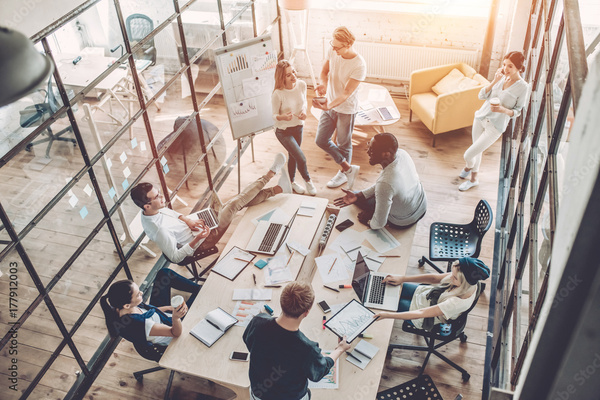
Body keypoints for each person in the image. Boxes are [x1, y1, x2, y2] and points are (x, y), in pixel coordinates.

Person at [131, 153, 291, 263]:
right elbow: (175, 257)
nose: (162, 197)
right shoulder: (158, 230)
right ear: (147, 205)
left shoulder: (152, 209)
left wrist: (187, 220)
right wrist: (198, 238)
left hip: (195, 228)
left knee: (234, 204)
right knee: (234, 205)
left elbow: (173, 214)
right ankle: (270, 174)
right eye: (158, 197)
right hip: (203, 241)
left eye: (159, 193)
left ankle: (279, 189)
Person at [243, 281, 351, 400]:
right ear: (306, 312)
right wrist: (340, 349)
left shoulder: (258, 322)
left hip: (258, 394)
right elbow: (319, 372)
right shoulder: (307, 349)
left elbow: (248, 341)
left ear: (281, 302)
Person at [459, 51, 530, 191]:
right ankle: (473, 179)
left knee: (468, 154)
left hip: (496, 126)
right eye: (504, 65)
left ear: (519, 67)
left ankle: (468, 166)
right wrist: (494, 81)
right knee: (476, 150)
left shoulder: (523, 87)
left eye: (510, 66)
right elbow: (482, 95)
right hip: (481, 117)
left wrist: (503, 110)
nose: (505, 69)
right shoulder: (501, 77)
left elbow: (517, 111)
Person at [333, 132, 427, 229]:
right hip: (421, 204)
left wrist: (368, 221)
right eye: (369, 145)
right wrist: (359, 194)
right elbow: (386, 186)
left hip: (404, 220)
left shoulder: (386, 182)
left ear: (386, 154)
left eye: (372, 150)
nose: (367, 152)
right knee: (358, 196)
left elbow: (379, 224)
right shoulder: (403, 154)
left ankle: (370, 214)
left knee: (367, 207)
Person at [313, 26, 367, 189]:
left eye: (337, 47)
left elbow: (346, 94)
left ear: (348, 44)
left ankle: (343, 174)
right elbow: (324, 72)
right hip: (330, 104)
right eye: (333, 45)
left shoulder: (359, 65)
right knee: (321, 140)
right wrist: (323, 85)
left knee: (344, 143)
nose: (333, 49)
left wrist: (328, 105)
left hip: (346, 109)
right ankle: (348, 169)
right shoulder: (333, 50)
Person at [373, 258, 489, 329]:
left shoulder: (455, 302)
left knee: (385, 303)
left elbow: (420, 313)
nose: (450, 277)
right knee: (388, 286)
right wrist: (402, 278)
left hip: (422, 314)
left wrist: (387, 315)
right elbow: (434, 278)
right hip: (426, 295)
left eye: (454, 277)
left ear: (463, 282)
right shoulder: (468, 280)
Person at [100, 268, 199, 349]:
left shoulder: (122, 308)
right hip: (174, 328)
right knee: (199, 295)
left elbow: (150, 311)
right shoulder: (141, 324)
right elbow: (175, 333)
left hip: (161, 317)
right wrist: (176, 318)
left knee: (164, 274)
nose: (142, 293)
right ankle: (200, 290)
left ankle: (199, 289)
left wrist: (168, 308)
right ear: (127, 305)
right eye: (138, 294)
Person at [272, 60, 317, 196]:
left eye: (293, 72)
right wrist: (283, 117)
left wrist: (304, 112)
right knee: (301, 157)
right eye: (288, 75)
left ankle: (290, 183)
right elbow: (274, 116)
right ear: (281, 78)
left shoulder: (301, 85)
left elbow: (304, 102)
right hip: (283, 130)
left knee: (293, 155)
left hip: (298, 127)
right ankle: (308, 181)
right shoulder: (278, 94)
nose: (293, 76)